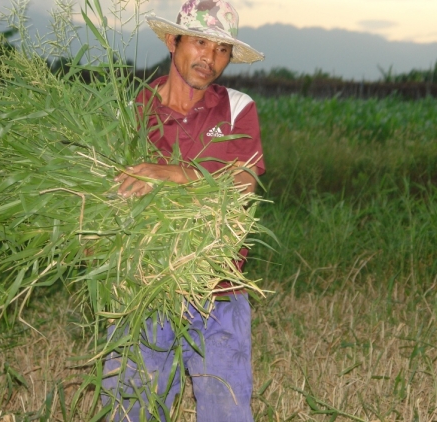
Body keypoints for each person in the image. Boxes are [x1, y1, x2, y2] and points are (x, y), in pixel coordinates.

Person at [101, 1, 265, 421]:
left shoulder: (237, 107)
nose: (210, 58)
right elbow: (109, 196)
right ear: (173, 41)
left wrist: (173, 174)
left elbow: (242, 187)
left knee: (227, 411)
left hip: (220, 290)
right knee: (130, 409)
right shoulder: (133, 110)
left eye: (223, 50)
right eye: (200, 42)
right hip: (144, 291)